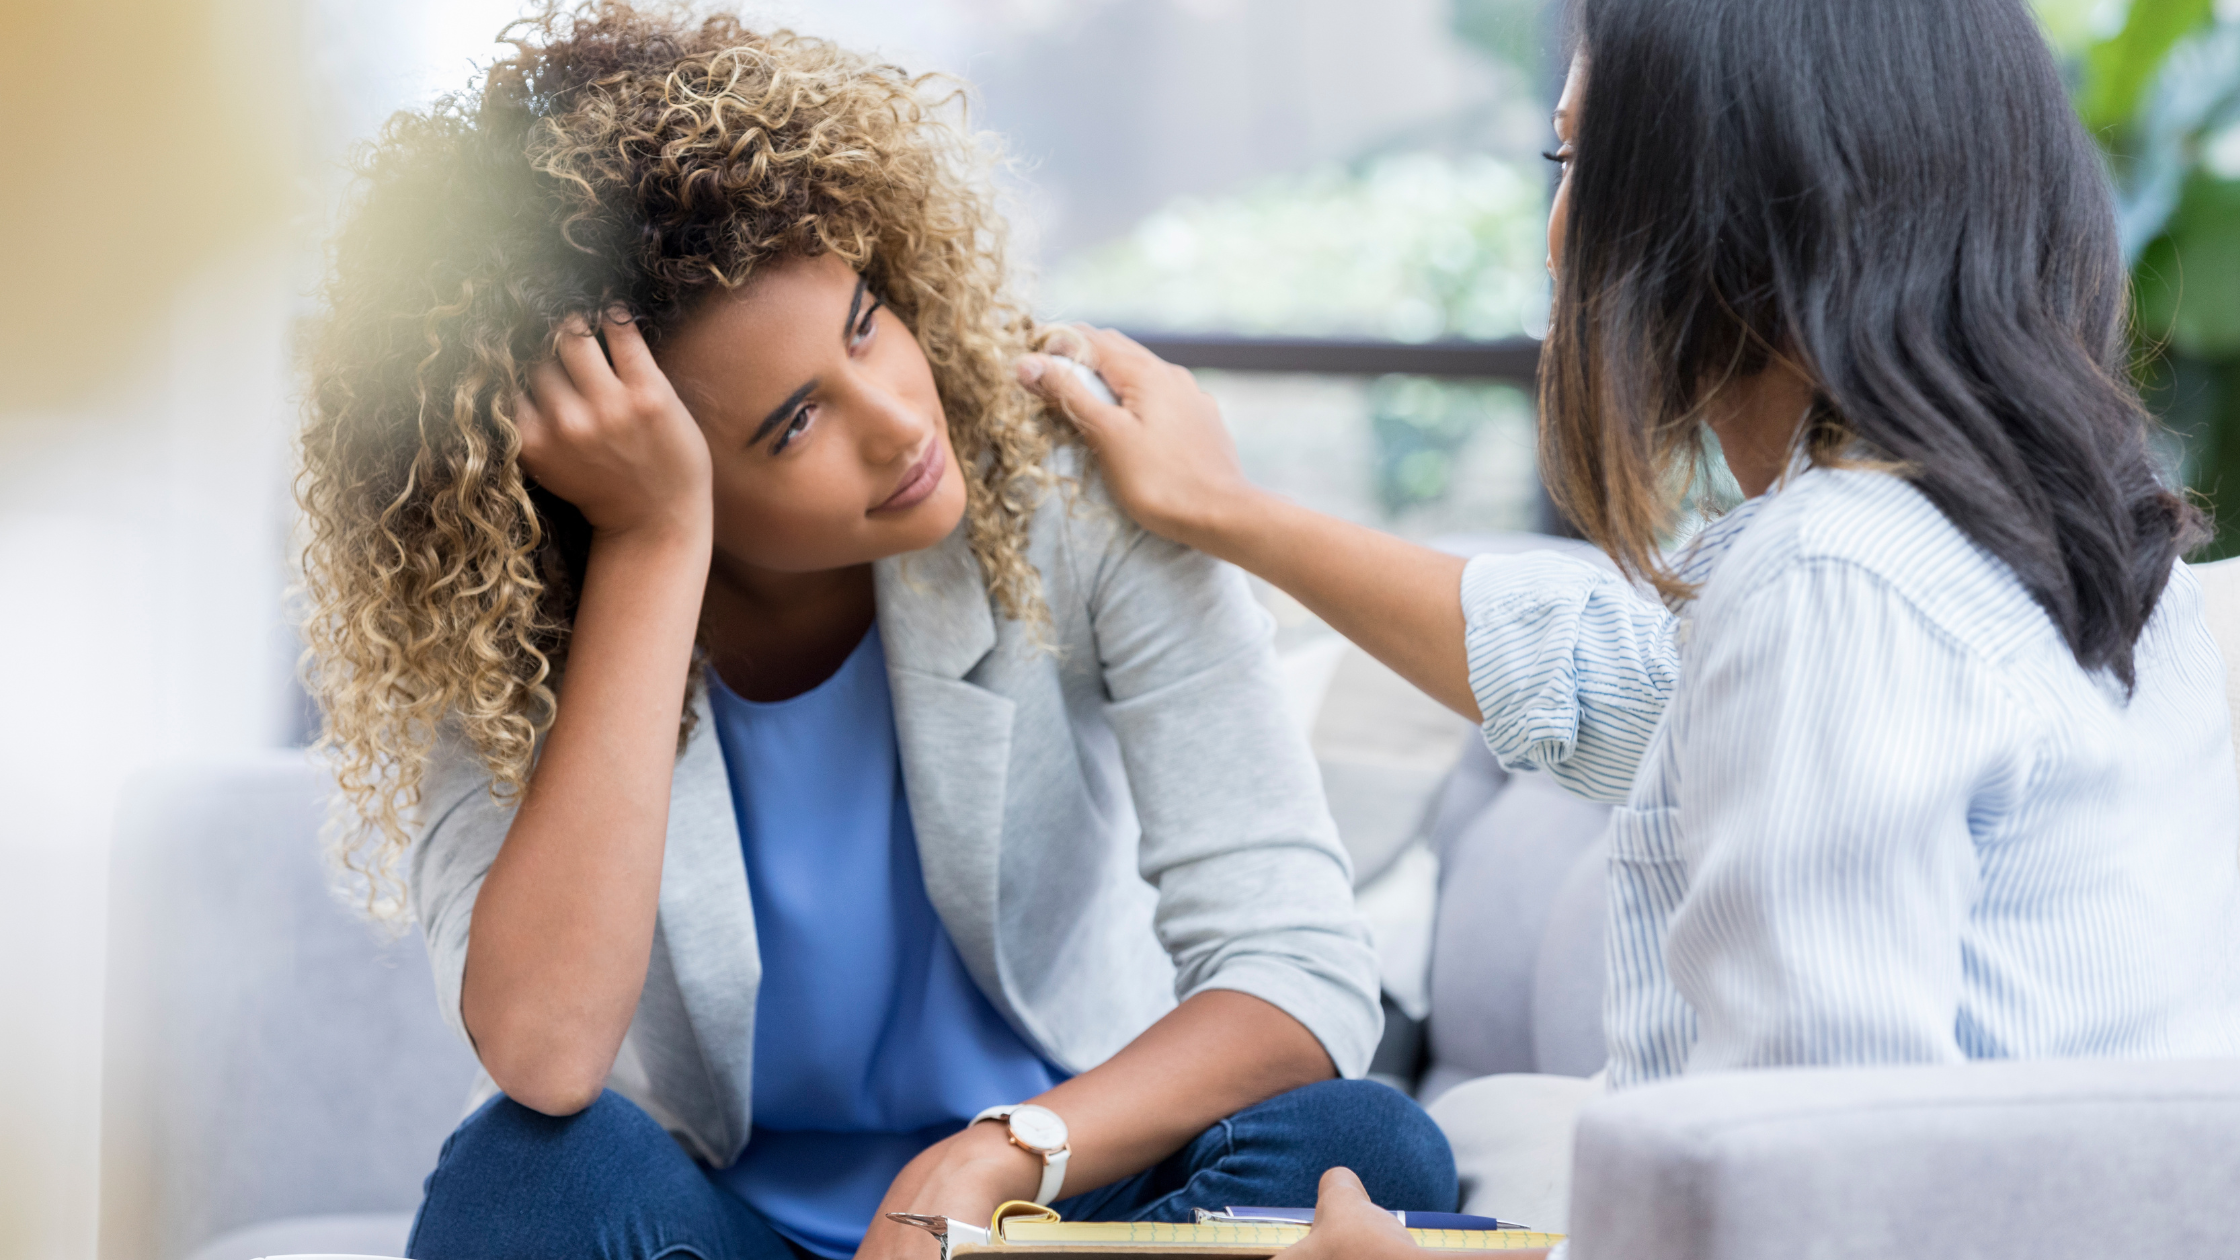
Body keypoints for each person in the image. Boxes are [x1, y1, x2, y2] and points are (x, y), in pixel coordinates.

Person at [1017, 0, 2240, 1255]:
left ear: (1737, 200)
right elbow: (1612, 681)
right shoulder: (2084, 559)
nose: (1557, 235)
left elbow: (1807, 1205)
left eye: (1576, 161)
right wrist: (1224, 511)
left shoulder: (1833, 579)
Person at [295, 6, 1457, 1259]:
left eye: (864, 323)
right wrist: (651, 543)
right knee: (521, 1176)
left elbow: (1294, 966)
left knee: (1364, 1148)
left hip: (1050, 1210)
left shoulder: (1070, 499)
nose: (902, 421)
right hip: (721, 1231)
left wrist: (996, 1153)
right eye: (793, 423)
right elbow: (544, 1054)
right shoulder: (503, 627)